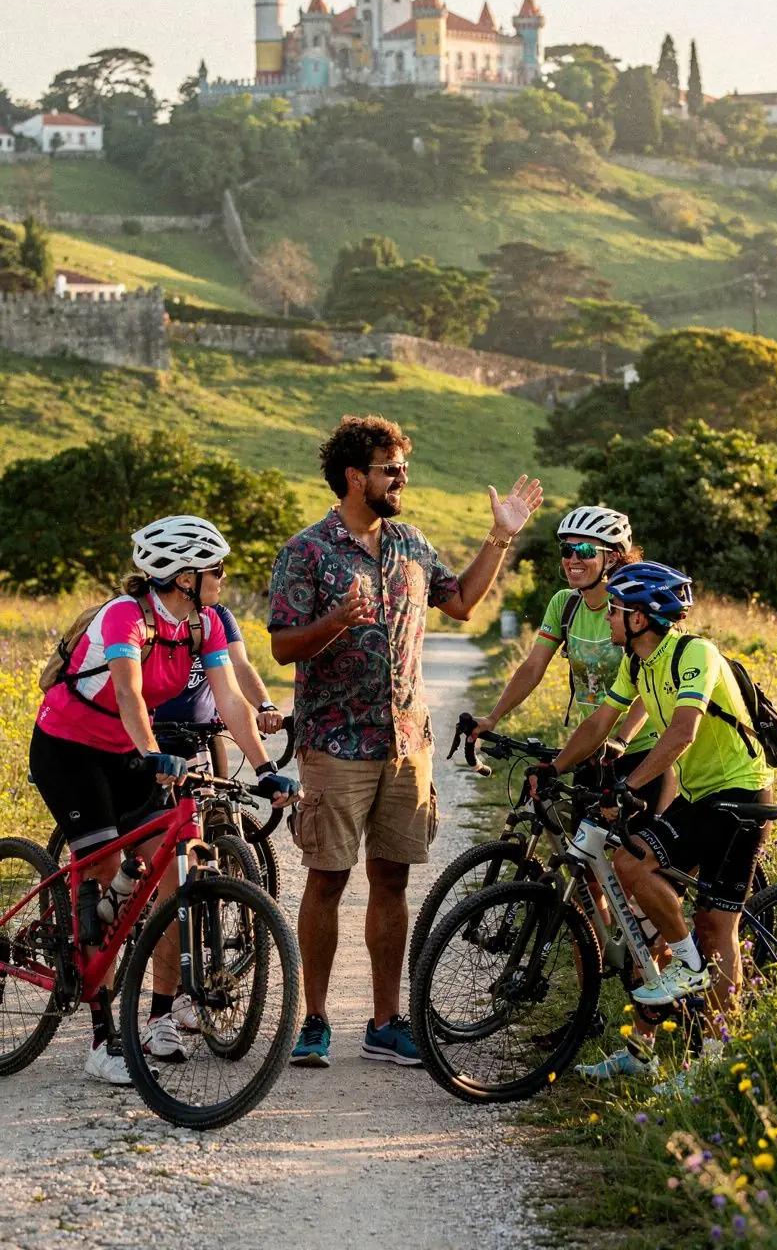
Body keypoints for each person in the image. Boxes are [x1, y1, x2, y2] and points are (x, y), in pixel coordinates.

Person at [268, 414, 542, 1069]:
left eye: (404, 470)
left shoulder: (412, 543)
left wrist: (499, 539)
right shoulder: (306, 551)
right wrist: (334, 621)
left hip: (406, 746)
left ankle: (386, 1022)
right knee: (327, 882)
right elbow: (281, 646)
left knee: (391, 883)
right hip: (334, 745)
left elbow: (463, 603)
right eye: (391, 470)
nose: (402, 480)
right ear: (355, 476)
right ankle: (313, 1020)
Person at [29, 514, 298, 1086]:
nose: (222, 578)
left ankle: (156, 1017)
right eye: (215, 570)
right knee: (101, 867)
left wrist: (268, 769)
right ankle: (102, 1040)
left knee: (174, 869)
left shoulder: (206, 625)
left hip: (127, 747)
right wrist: (154, 755)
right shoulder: (125, 616)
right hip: (69, 748)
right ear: (183, 576)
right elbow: (128, 690)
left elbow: (230, 699)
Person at [550, 560, 773, 1080]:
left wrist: (627, 787)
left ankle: (714, 1064)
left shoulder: (695, 653)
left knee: (715, 926)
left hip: (740, 795)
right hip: (702, 795)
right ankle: (644, 1049)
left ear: (643, 618)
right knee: (652, 897)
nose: (609, 616)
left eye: (619, 609)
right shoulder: (637, 664)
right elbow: (601, 721)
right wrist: (554, 764)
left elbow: (681, 734)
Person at [470, 505, 660, 808]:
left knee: (629, 854)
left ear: (611, 557)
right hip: (590, 747)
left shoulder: (632, 611)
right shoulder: (565, 604)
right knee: (582, 850)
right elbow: (533, 668)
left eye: (584, 550)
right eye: (567, 549)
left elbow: (652, 685)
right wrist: (493, 716)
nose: (573, 559)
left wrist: (622, 740)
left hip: (642, 750)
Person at [154, 572, 284, 774]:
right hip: (152, 735)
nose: (223, 575)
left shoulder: (216, 616)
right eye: (215, 570)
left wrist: (265, 706)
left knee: (218, 802)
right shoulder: (142, 616)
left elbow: (239, 666)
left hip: (203, 735)